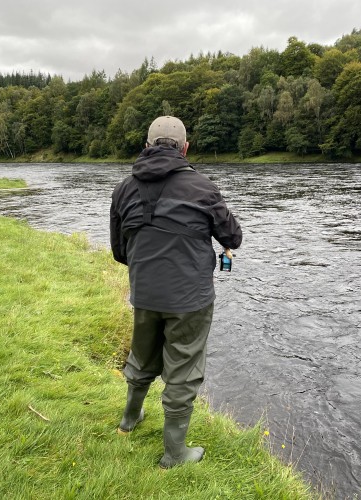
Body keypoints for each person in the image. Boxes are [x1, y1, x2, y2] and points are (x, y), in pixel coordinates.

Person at [110, 116, 242, 468]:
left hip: (144, 293)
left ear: (147, 144)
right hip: (190, 299)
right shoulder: (203, 187)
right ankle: (175, 454)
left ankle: (129, 420)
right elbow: (232, 238)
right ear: (185, 148)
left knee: (141, 357)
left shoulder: (123, 188)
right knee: (182, 371)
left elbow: (118, 251)